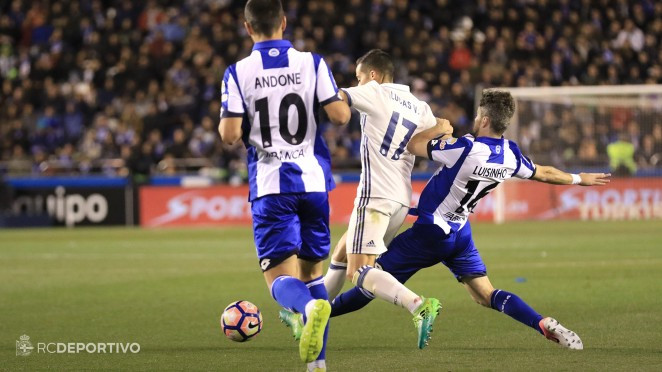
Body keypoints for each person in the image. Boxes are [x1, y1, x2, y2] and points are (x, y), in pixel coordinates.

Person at [329, 89, 611, 350]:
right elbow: (543, 173)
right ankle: (541, 322)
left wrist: (438, 129)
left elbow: (414, 145)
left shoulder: (465, 148)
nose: (475, 119)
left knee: (366, 276)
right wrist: (578, 178)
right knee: (485, 295)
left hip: (430, 234)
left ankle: (316, 312)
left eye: (478, 115)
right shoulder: (511, 154)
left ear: (485, 119)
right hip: (460, 233)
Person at [281, 49, 450, 349]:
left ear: (372, 75)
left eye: (359, 77)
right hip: (400, 199)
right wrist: (441, 127)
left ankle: (417, 305)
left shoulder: (373, 91)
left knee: (359, 271)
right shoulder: (418, 106)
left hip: (375, 197)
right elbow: (445, 125)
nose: (357, 82)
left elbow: (338, 97)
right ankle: (307, 314)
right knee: (342, 252)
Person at [218, 1, 350, 370]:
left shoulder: (238, 71)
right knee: (311, 275)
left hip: (272, 185)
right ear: (283, 22)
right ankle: (317, 364)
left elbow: (229, 135)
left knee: (278, 280)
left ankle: (308, 308)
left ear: (247, 27)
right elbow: (340, 116)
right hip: (313, 182)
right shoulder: (313, 63)